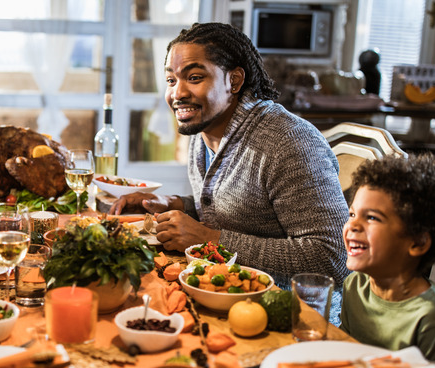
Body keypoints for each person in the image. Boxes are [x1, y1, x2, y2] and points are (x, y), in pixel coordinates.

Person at [110, 23, 349, 297]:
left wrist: (210, 240)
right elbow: (239, 212)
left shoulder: (289, 141)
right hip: (220, 292)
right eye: (171, 80)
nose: (177, 93)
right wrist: (177, 204)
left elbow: (333, 257)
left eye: (195, 77)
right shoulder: (204, 131)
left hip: (289, 313)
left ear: (233, 81)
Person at [340, 154, 435, 368]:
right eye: (352, 214)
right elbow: (348, 356)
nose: (352, 226)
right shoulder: (355, 286)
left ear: (418, 242)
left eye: (371, 217)